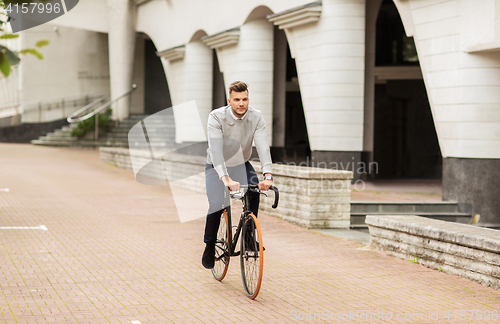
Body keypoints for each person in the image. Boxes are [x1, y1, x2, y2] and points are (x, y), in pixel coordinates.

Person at [202, 81, 273, 269]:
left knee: (254, 192)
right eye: (237, 100)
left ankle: (249, 237)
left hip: (241, 163)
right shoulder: (216, 117)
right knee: (217, 204)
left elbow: (263, 146)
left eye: (245, 99)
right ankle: (209, 245)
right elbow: (216, 152)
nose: (241, 103)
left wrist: (268, 175)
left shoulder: (256, 117)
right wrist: (225, 178)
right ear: (229, 101)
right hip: (216, 166)